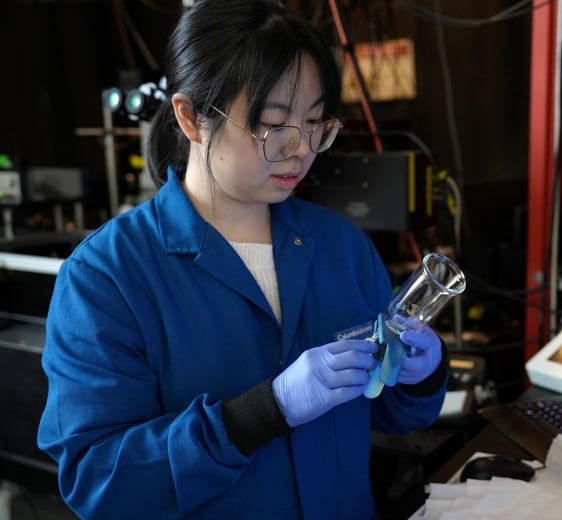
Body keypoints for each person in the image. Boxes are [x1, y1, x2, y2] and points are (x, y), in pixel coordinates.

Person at [37, 0, 448, 517]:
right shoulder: (108, 276)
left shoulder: (341, 247)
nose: (301, 149)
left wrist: (419, 376)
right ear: (190, 117)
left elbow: (388, 411)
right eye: (274, 126)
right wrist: (260, 414)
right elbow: (99, 480)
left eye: (316, 123)